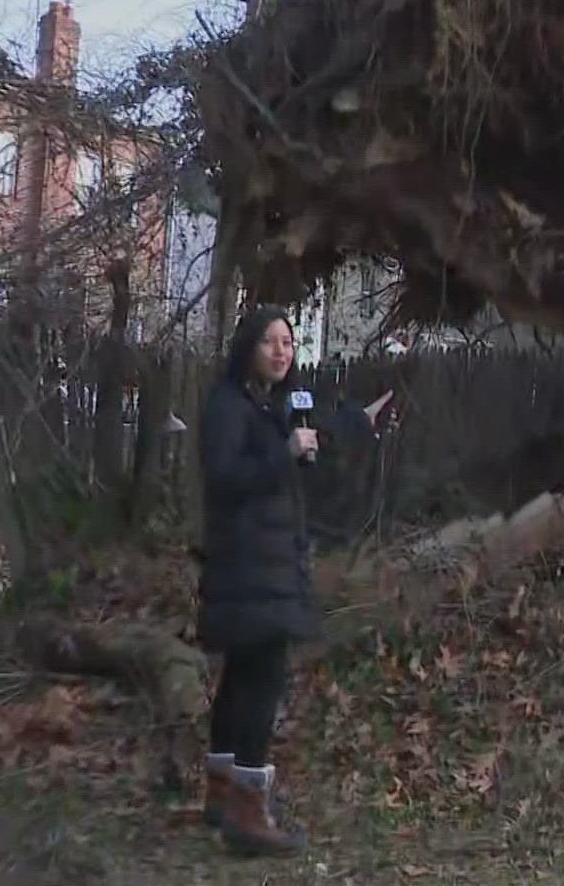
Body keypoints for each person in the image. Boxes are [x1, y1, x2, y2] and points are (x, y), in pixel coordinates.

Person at [194, 307, 391, 856]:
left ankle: (221, 795)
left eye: (289, 342)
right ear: (246, 348)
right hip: (250, 564)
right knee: (261, 682)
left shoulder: (267, 404)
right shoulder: (228, 407)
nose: (282, 352)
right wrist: (283, 456)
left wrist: (358, 422)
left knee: (242, 676)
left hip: (266, 563)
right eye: (270, 342)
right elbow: (226, 479)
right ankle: (248, 815)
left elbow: (313, 427)